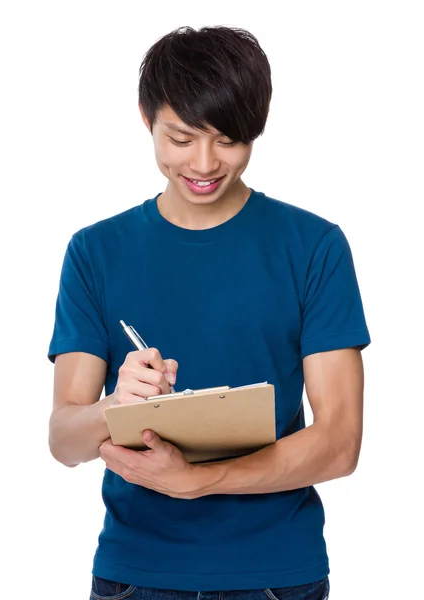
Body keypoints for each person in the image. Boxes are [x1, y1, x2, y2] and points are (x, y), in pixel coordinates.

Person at [48, 25, 370, 600]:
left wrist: (197, 481)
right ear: (145, 118)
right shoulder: (95, 251)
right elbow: (63, 441)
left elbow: (340, 443)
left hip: (276, 576)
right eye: (181, 138)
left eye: (228, 140)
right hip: (135, 575)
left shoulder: (314, 245)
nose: (203, 164)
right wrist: (115, 407)